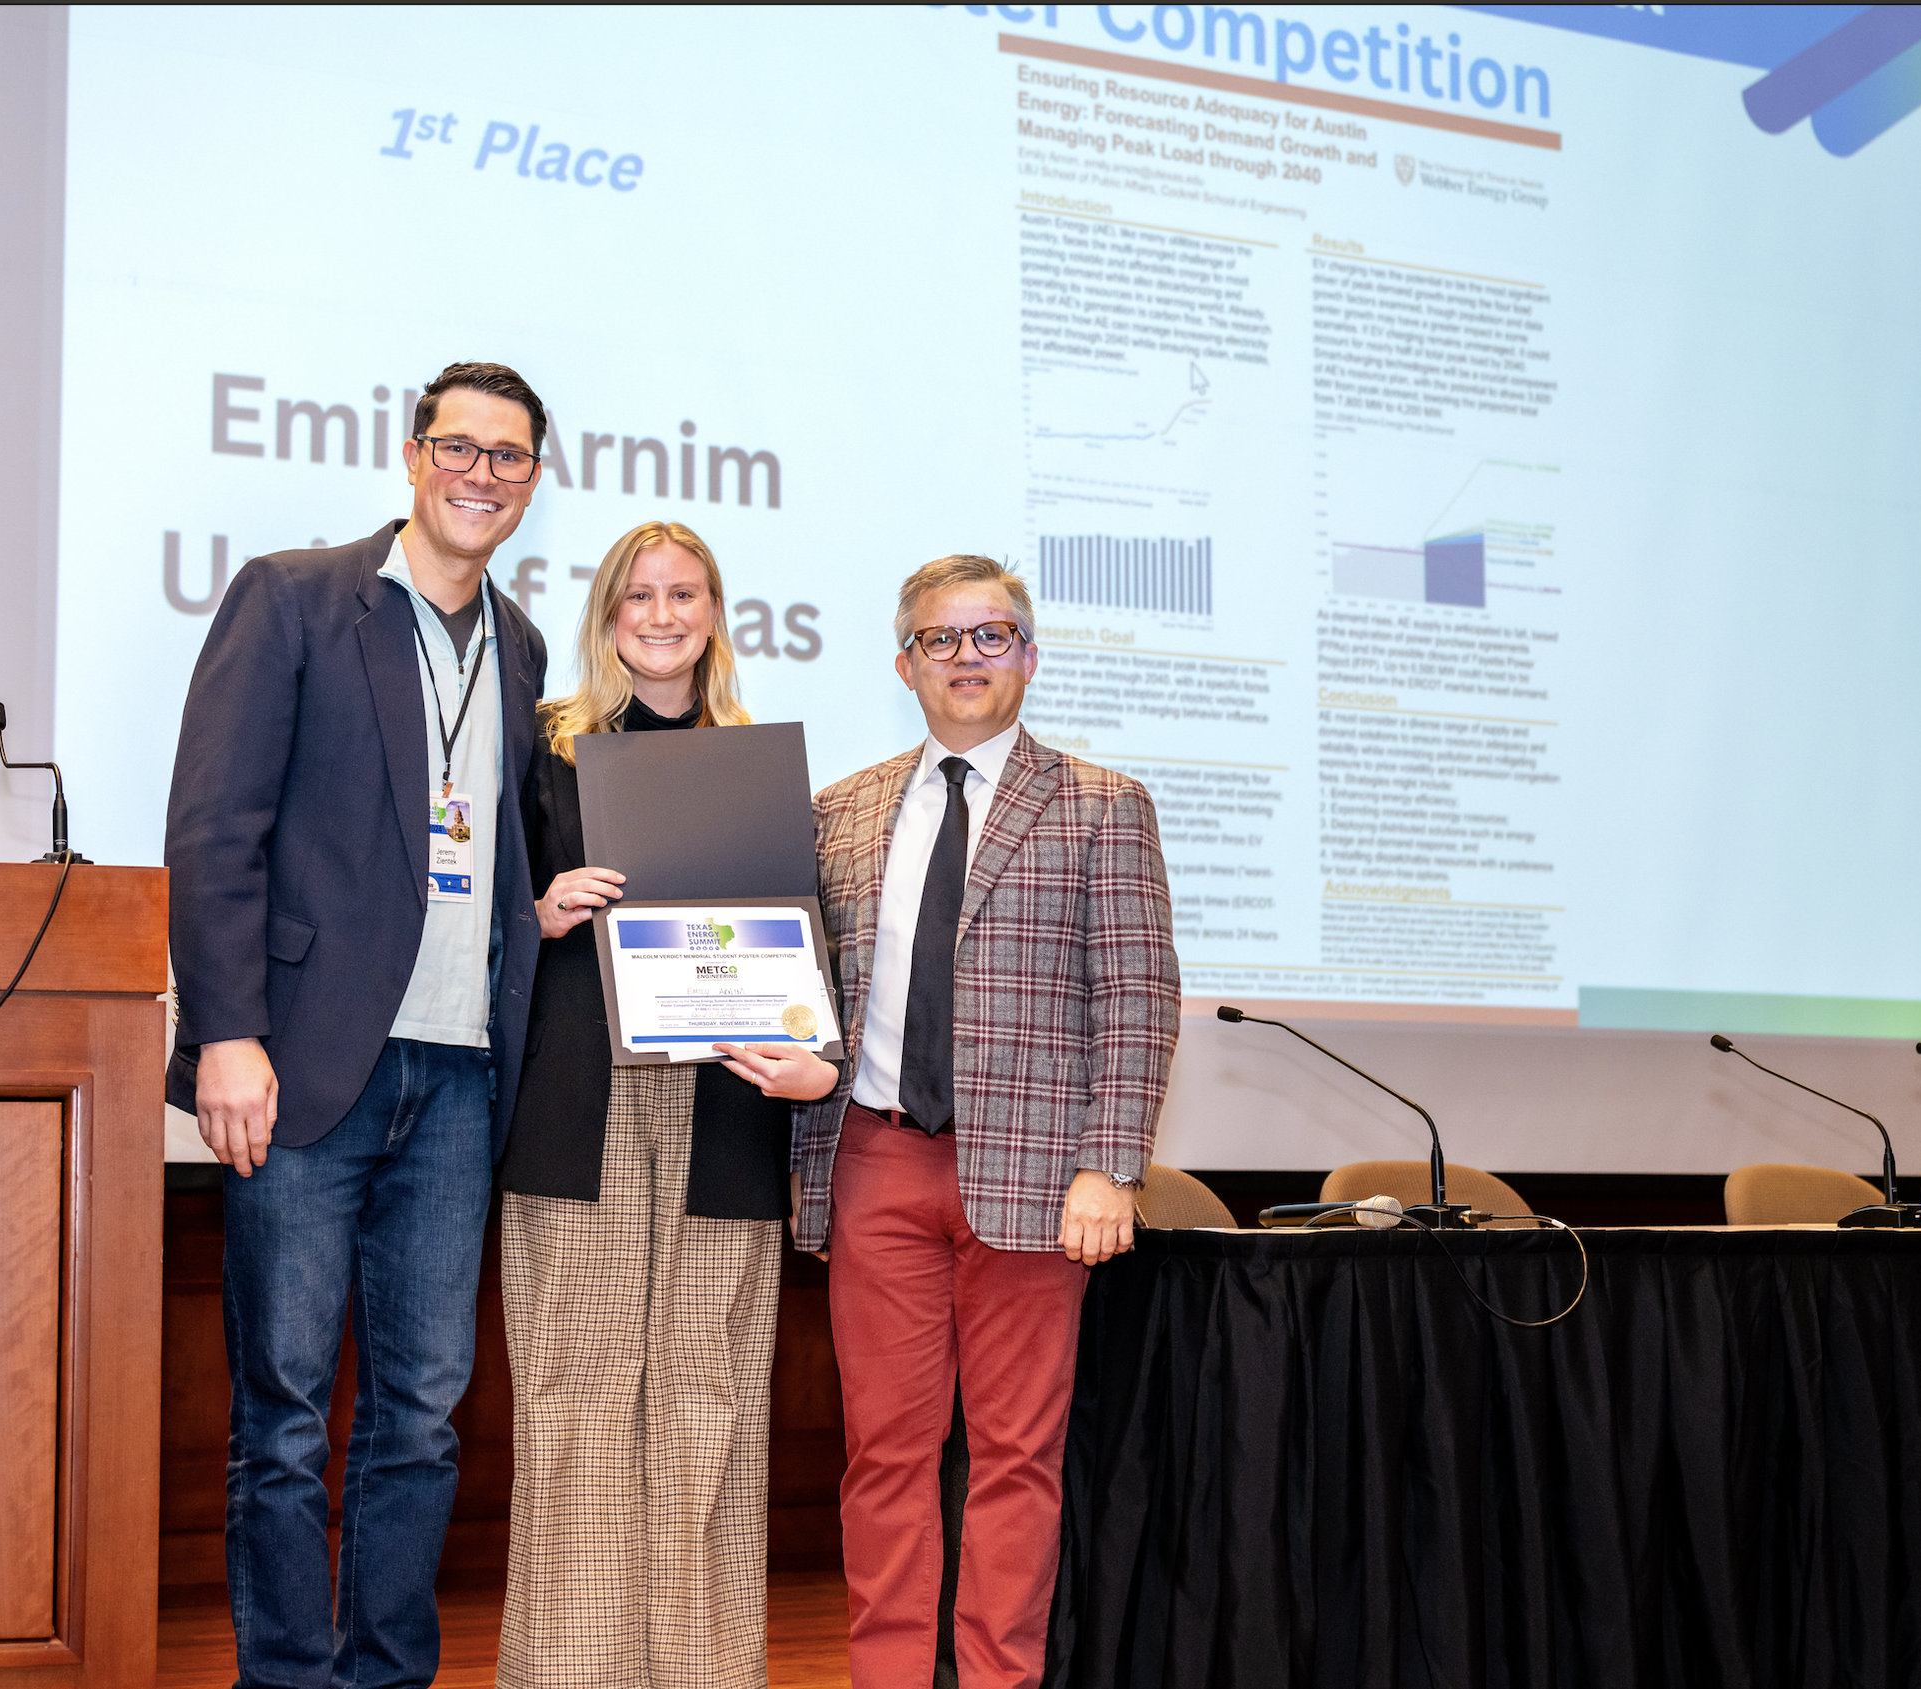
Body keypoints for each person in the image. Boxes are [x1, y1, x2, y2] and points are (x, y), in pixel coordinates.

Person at [165, 361, 553, 1689]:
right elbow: (217, 828)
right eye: (461, 446)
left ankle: (388, 1671)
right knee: (280, 1413)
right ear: (411, 454)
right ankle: (283, 1672)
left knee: (425, 1418)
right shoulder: (294, 598)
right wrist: (226, 1030)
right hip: (303, 1067)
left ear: (533, 480)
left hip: (459, 1083)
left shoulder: (525, 641)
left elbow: (487, 846)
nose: (482, 473)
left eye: (509, 456)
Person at [791, 554, 1179, 1688]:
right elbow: (808, 986)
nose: (967, 657)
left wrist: (1110, 1165)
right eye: (942, 639)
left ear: (1029, 655)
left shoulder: (1103, 804)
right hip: (873, 1164)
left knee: (1017, 1460)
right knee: (883, 1460)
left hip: (1035, 1183)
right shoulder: (841, 811)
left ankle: (999, 1679)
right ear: (904, 662)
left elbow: (1138, 997)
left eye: (992, 635)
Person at [495, 520, 837, 1689]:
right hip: (574, 1114)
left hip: (726, 1118)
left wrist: (814, 1057)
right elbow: (464, 924)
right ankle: (573, 1672)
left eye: (683, 593)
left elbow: (805, 953)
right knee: (576, 1397)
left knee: (708, 1405)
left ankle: (701, 1671)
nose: (661, 613)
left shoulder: (761, 768)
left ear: (713, 612)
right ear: (606, 614)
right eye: (637, 594)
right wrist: (535, 916)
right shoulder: (542, 756)